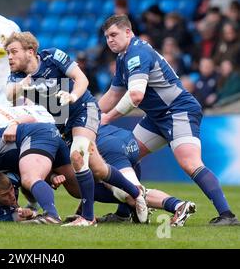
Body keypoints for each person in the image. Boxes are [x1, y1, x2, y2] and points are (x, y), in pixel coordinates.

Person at [98, 14, 239, 225]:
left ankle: (228, 215)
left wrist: (107, 118)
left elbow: (136, 96)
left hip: (178, 111)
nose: (110, 40)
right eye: (107, 37)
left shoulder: (136, 53)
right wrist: (89, 115)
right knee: (125, 154)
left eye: (114, 35)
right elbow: (113, 94)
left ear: (128, 32)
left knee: (190, 163)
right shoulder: (124, 58)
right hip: (157, 116)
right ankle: (124, 214)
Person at [4, 31, 148, 225]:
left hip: (83, 108)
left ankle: (87, 218)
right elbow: (8, 94)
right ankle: (135, 192)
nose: (10, 57)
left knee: (77, 155)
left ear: (30, 51)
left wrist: (72, 95)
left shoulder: (52, 56)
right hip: (63, 123)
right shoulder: (18, 75)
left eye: (13, 52)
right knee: (98, 169)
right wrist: (24, 84)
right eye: (7, 53)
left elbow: (82, 79)